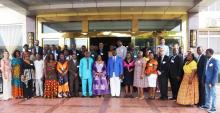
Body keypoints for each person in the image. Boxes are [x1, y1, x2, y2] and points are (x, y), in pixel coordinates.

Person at [201, 49, 219, 113]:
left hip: (212, 81)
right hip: (206, 80)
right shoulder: (207, 60)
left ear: (211, 53)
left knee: (213, 95)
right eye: (206, 53)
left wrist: (213, 81)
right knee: (207, 94)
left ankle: (213, 108)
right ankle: (207, 105)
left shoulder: (215, 61)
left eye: (207, 53)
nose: (206, 54)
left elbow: (216, 72)